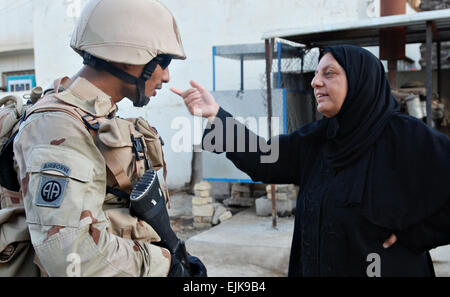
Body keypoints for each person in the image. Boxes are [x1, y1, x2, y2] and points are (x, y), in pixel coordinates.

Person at [171, 45, 450, 277]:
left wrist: (417, 237)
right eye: (316, 74)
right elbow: (263, 157)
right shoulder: (319, 139)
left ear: (359, 81)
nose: (315, 82)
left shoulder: (406, 138)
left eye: (329, 74)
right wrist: (215, 115)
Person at [12, 0, 205, 277]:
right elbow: (72, 256)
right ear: (126, 56)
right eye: (162, 62)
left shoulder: (93, 116)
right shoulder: (58, 127)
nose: (166, 76)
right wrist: (165, 267)